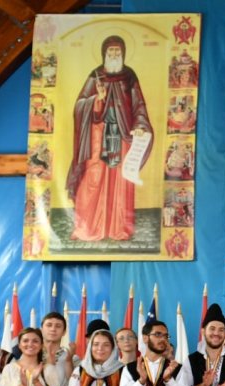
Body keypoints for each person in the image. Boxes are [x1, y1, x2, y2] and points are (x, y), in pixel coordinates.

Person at [67, 36, 151, 242]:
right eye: (110, 51)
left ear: (123, 53)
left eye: (117, 51)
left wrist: (140, 125)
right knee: (93, 178)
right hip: (98, 134)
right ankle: (87, 228)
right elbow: (79, 105)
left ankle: (118, 228)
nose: (114, 55)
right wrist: (98, 99)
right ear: (104, 53)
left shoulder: (129, 76)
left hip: (123, 135)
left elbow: (139, 103)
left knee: (120, 181)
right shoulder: (96, 75)